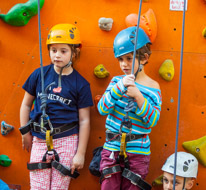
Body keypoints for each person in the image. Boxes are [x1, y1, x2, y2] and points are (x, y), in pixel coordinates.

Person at [19, 23, 93, 189]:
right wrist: (25, 132)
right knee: (38, 186)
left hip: (67, 140)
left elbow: (85, 121)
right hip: (39, 139)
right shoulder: (39, 75)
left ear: (75, 52)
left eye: (63, 51)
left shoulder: (80, 84)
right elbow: (25, 104)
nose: (57, 55)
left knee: (59, 187)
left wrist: (80, 153)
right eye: (53, 50)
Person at [97, 26, 162, 190]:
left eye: (129, 58)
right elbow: (102, 109)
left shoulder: (153, 88)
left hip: (138, 153)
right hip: (112, 148)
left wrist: (139, 97)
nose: (124, 64)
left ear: (144, 58)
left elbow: (153, 120)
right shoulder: (115, 82)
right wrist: (119, 88)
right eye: (120, 59)